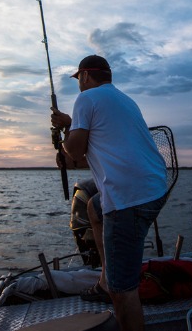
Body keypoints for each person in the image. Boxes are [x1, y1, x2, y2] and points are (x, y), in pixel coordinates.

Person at [51, 55, 168, 331]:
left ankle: (114, 286)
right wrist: (70, 127)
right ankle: (105, 279)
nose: (78, 84)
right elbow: (90, 154)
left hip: (129, 198)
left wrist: (66, 131)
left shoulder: (86, 99)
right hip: (155, 189)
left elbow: (75, 151)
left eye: (78, 78)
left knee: (123, 291)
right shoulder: (124, 100)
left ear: (86, 76)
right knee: (94, 206)